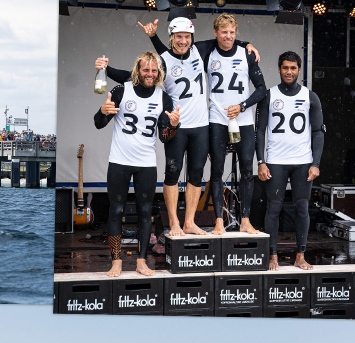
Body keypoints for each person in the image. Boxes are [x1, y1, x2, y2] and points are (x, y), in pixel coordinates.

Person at [136, 18, 261, 236]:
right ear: (171, 37)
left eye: (187, 36)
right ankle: (174, 222)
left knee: (196, 174)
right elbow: (142, 74)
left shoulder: (200, 50)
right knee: (172, 173)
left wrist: (247, 43)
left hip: (201, 124)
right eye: (178, 37)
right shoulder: (163, 59)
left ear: (192, 37)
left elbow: (225, 39)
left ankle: (189, 222)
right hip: (178, 124)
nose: (183, 41)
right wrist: (152, 37)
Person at [95, 51, 180, 277]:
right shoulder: (122, 90)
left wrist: (173, 125)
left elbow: (164, 137)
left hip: (145, 164)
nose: (149, 74)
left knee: (144, 212)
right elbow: (98, 123)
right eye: (145, 69)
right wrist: (103, 112)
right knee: (116, 211)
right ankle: (117, 260)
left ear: (159, 72)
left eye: (153, 70)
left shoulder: (163, 98)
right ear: (137, 70)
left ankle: (141, 261)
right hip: (119, 161)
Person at [256, 51, 325, 270]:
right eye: (285, 67)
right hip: (275, 161)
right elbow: (260, 131)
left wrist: (316, 163)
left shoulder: (310, 96)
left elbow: (318, 132)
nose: (289, 72)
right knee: (273, 209)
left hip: (302, 162)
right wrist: (261, 161)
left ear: (299, 70)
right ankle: (272, 255)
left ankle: (300, 256)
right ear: (279, 69)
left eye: (293, 68)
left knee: (302, 208)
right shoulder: (269, 95)